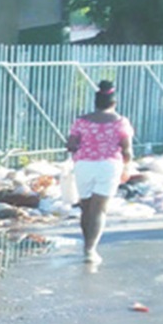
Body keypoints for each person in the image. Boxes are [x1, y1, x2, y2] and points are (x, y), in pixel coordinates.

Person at [66, 79, 133, 264]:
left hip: (84, 165)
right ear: (114, 103)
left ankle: (86, 245)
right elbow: (127, 151)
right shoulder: (121, 122)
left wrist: (81, 146)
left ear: (95, 102)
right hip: (109, 166)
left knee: (85, 208)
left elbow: (71, 144)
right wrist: (126, 166)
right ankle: (90, 250)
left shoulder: (81, 121)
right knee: (99, 210)